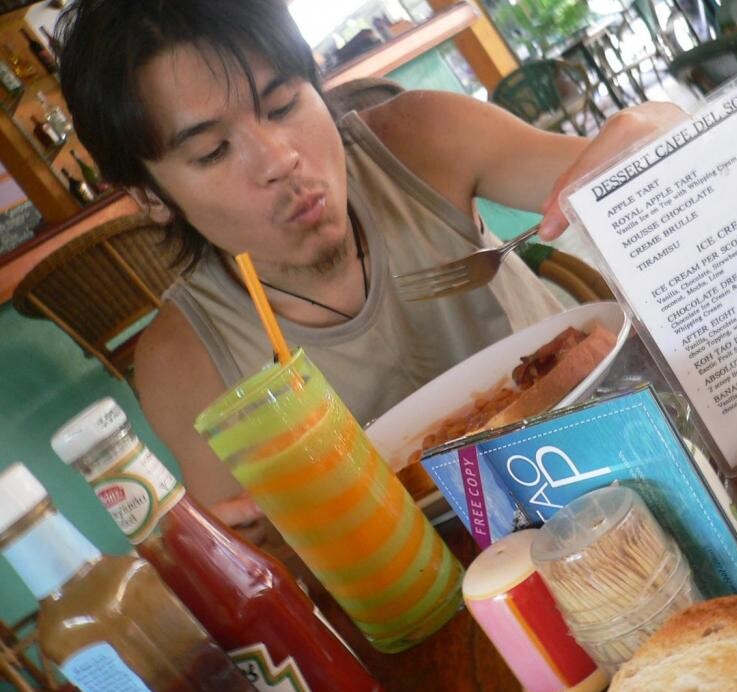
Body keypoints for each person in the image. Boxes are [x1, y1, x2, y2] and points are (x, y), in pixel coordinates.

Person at [56, 0, 686, 517]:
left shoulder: (422, 139)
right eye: (212, 152)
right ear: (150, 196)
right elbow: (270, 557)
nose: (279, 160)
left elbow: (646, 169)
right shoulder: (183, 363)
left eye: (283, 106)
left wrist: (658, 131)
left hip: (635, 452)